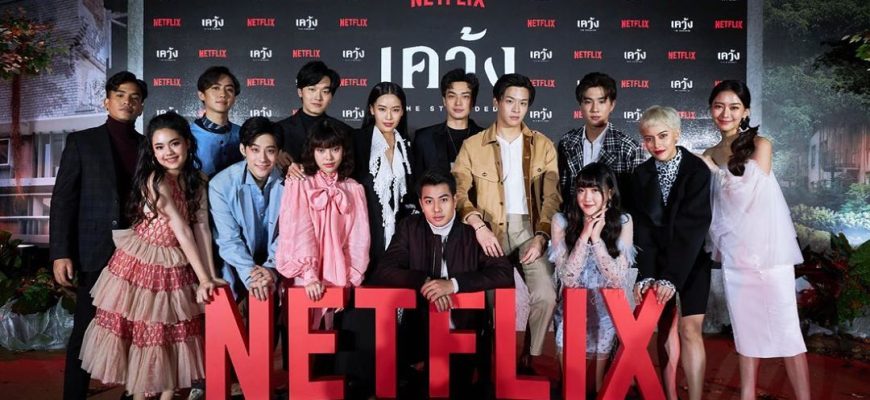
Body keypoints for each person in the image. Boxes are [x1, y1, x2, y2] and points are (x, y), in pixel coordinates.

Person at [78, 112, 225, 400]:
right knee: (148, 337)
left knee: (174, 336)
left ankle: (167, 395)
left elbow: (202, 228)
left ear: (187, 143)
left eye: (174, 143)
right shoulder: (155, 180)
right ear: (152, 152)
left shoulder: (197, 179)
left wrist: (208, 277)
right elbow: (182, 230)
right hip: (142, 265)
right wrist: (204, 278)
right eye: (159, 147)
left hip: (177, 264)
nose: (168, 152)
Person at [702, 80, 810, 400]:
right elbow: (714, 208)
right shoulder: (709, 153)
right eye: (719, 106)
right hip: (735, 256)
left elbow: (748, 196)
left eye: (734, 107)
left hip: (769, 255)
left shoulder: (761, 145)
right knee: (745, 332)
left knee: (787, 331)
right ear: (711, 110)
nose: (726, 113)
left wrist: (712, 170)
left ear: (746, 112)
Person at [371, 170, 514, 399]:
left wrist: (453, 285)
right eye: (429, 201)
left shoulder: (473, 232)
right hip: (420, 339)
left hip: (465, 337)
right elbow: (384, 271)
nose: (436, 209)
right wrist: (425, 282)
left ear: (455, 200)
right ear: (421, 204)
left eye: (444, 200)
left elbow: (504, 273)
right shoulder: (410, 227)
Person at [453, 73, 561, 374]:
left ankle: (530, 356)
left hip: (529, 230)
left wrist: (541, 236)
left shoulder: (543, 145)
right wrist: (478, 226)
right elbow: (459, 192)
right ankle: (492, 366)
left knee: (546, 295)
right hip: (489, 229)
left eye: (523, 103)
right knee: (491, 304)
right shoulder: (473, 145)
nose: (516, 109)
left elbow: (552, 197)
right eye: (510, 101)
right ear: (496, 102)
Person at [50, 71, 147, 400]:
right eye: (119, 95)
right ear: (106, 101)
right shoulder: (82, 142)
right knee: (85, 329)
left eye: (134, 97)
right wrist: (60, 252)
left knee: (137, 328)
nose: (126, 102)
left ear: (141, 106)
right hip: (95, 249)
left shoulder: (148, 147)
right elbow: (63, 200)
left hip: (139, 251)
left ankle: (132, 393)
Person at [629, 106, 712, 400]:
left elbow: (693, 228)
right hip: (657, 262)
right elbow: (643, 231)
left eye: (663, 136)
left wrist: (671, 277)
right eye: (649, 138)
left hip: (692, 260)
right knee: (664, 329)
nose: (657, 144)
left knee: (690, 330)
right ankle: (669, 395)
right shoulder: (640, 174)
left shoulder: (697, 171)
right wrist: (647, 273)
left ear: (677, 134)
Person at [276, 118, 370, 329]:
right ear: (312, 152)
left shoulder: (354, 189)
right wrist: (309, 275)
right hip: (304, 278)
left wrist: (349, 280)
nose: (328, 157)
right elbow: (297, 231)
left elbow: (359, 240)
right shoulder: (299, 183)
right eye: (321, 150)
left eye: (335, 149)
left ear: (343, 151)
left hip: (339, 278)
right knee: (300, 338)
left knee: (334, 340)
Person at [551, 162, 633, 395]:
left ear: (610, 193)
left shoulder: (624, 222)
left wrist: (597, 240)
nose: (587, 198)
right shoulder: (561, 221)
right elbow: (568, 278)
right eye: (581, 190)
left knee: (599, 389)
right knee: (572, 388)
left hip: (607, 313)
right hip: (571, 313)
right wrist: (585, 235)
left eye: (595, 190)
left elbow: (617, 278)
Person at [209, 116, 283, 302]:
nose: (262, 159)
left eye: (270, 151)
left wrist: (271, 268)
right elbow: (229, 239)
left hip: (280, 267)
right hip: (236, 268)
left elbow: (290, 234)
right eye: (255, 150)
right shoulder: (221, 185)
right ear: (243, 149)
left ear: (279, 153)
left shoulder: (290, 182)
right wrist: (253, 276)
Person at [352, 81, 417, 268]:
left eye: (395, 110)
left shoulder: (407, 146)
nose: (389, 116)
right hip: (363, 236)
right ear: (371, 109)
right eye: (382, 109)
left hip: (400, 241)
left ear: (402, 111)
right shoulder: (356, 141)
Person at [557, 72, 645, 208]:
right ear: (580, 105)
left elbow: (637, 199)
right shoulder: (567, 143)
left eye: (601, 101)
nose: (595, 109)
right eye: (588, 102)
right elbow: (562, 192)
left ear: (612, 105)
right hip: (573, 219)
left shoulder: (628, 148)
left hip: (614, 219)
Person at [276, 60, 352, 173]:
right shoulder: (279, 130)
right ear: (300, 92)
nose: (318, 97)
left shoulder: (344, 131)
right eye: (312, 89)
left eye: (325, 91)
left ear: (331, 96)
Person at [412, 69, 484, 175]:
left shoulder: (486, 139)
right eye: (452, 96)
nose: (458, 103)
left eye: (465, 96)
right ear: (444, 101)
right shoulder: (424, 138)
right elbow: (417, 181)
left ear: (473, 101)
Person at [190, 65, 243, 177]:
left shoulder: (242, 134)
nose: (223, 94)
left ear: (234, 98)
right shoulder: (189, 135)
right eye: (215, 88)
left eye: (229, 89)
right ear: (201, 95)